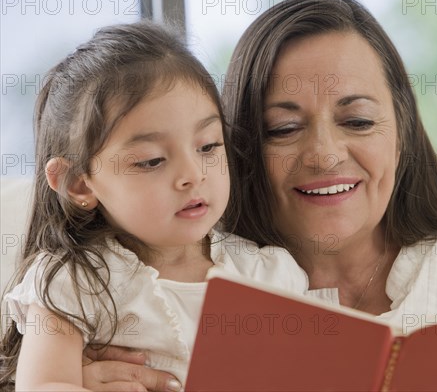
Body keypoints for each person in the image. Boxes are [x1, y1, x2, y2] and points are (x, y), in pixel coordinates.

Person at [77, 0, 437, 391]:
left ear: (403, 135)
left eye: (358, 120)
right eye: (282, 129)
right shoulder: (143, 300)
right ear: (240, 149)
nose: (325, 154)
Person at [0, 21, 299, 391]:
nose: (192, 175)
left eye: (207, 146)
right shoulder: (73, 281)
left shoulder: (269, 276)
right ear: (79, 183)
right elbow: (43, 385)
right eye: (152, 161)